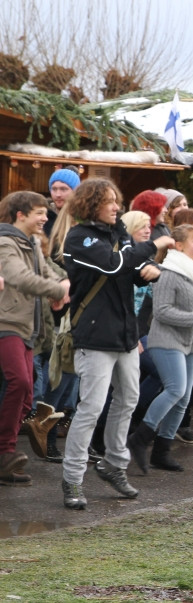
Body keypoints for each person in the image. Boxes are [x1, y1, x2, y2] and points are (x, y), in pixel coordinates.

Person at [61, 178, 173, 509]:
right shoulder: (79, 237)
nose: (116, 206)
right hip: (95, 335)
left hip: (124, 333)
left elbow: (130, 268)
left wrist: (148, 269)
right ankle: (72, 479)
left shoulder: (118, 234)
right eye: (109, 201)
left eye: (116, 201)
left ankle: (113, 465)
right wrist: (153, 245)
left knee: (128, 399)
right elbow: (112, 265)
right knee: (91, 407)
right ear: (91, 204)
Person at [127, 225, 193, 473]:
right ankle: (139, 439)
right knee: (174, 390)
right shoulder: (169, 272)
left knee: (183, 400)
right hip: (166, 341)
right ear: (179, 246)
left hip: (188, 342)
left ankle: (161, 452)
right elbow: (162, 312)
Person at [0, 192, 71, 486]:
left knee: (28, 394)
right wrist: (57, 291)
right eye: (39, 213)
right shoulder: (6, 242)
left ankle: (7, 457)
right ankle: (5, 452)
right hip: (7, 323)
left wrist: (61, 285)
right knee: (20, 382)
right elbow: (18, 277)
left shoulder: (31, 244)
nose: (45, 218)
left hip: (28, 327)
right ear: (20, 215)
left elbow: (45, 274)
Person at [43, 168, 80, 238]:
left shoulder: (84, 218)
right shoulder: (44, 218)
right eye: (54, 189)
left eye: (63, 189)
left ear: (75, 191)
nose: (58, 194)